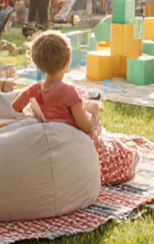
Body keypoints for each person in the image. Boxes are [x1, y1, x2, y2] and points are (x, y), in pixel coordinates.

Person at [12, 31, 139, 184]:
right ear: (68, 61)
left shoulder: (32, 90)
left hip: (50, 145)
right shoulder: (69, 92)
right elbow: (84, 127)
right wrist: (93, 116)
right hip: (73, 146)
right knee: (124, 155)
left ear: (36, 62)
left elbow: (14, 109)